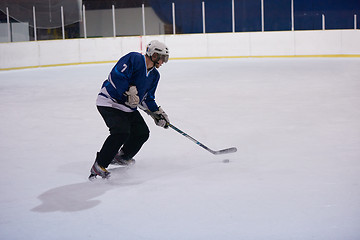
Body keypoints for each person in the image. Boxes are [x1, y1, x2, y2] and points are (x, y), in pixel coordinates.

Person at [89, 40, 170, 180]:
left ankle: (122, 157)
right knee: (120, 132)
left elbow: (147, 98)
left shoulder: (155, 76)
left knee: (142, 133)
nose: (163, 61)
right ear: (154, 55)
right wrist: (127, 90)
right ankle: (99, 165)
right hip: (110, 102)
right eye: (162, 57)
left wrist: (157, 113)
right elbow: (116, 75)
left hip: (127, 108)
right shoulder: (134, 58)